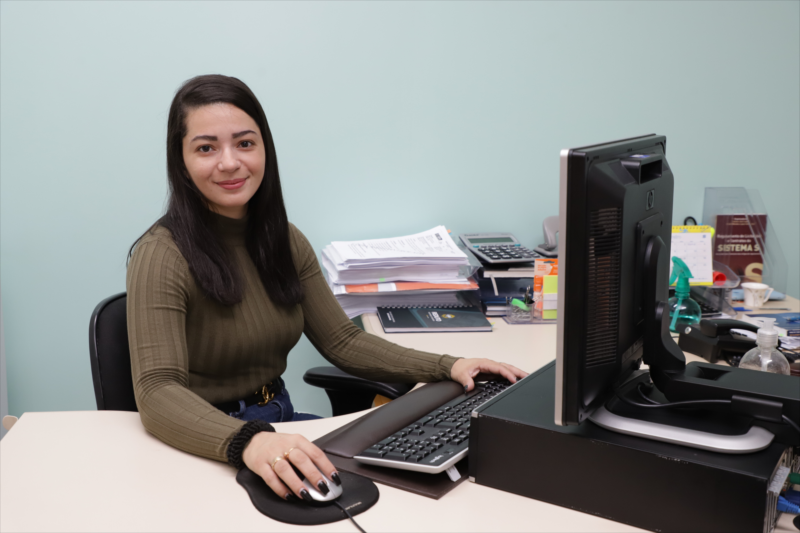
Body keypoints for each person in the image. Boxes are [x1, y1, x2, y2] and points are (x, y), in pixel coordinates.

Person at [127, 74, 526, 503]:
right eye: (206, 148)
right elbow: (157, 390)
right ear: (181, 160)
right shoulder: (161, 255)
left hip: (280, 420)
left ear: (264, 150)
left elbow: (342, 341)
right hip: (208, 439)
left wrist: (450, 365)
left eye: (244, 143)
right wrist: (249, 441)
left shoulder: (283, 239)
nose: (229, 162)